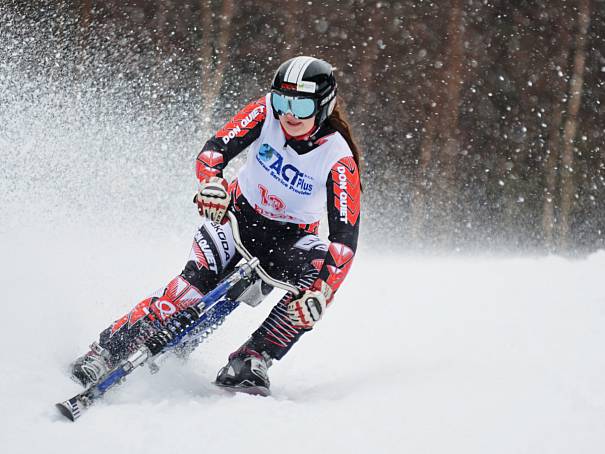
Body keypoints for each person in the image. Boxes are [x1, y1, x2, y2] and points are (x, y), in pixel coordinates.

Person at [70, 56, 362, 396]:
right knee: (191, 290)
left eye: (302, 105)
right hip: (237, 216)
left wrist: (321, 291)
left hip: (289, 241)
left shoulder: (339, 159)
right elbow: (213, 152)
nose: (290, 115)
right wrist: (211, 184)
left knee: (317, 281)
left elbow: (343, 243)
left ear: (323, 105)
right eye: (283, 101)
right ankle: (107, 350)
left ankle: (253, 358)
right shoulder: (266, 111)